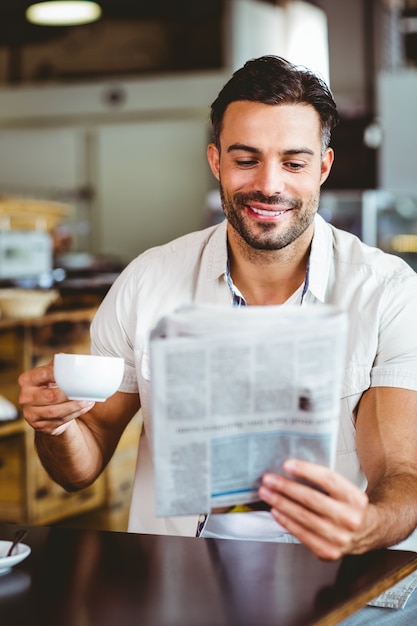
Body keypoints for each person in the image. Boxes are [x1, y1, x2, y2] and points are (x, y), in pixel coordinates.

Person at [19, 56, 417, 622]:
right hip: (181, 586)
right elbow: (78, 468)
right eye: (245, 159)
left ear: (324, 167)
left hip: (339, 586)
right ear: (216, 161)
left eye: (294, 162)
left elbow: (403, 475)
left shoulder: (388, 293)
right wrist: (56, 423)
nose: (268, 185)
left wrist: (366, 526)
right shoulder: (148, 281)